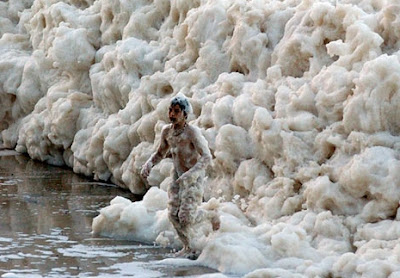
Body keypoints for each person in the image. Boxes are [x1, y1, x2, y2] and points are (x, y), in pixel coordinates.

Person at [141, 95, 219, 259]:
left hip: (193, 178)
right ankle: (189, 247)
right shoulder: (167, 131)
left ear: (185, 114)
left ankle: (211, 215)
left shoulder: (192, 133)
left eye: (176, 111)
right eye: (170, 110)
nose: (172, 114)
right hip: (177, 177)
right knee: (173, 215)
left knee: (186, 218)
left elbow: (206, 157)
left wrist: (191, 174)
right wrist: (149, 163)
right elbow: (160, 153)